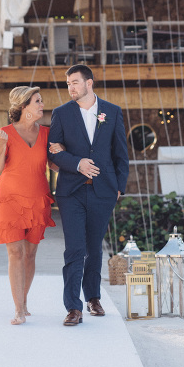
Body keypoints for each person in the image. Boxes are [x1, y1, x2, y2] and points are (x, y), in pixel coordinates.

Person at [47, 64, 129, 326]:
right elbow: (53, 152)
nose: (71, 87)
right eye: (68, 83)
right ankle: (73, 307)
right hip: (71, 192)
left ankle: (93, 297)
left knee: (94, 247)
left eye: (75, 82)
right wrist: (77, 163)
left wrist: (119, 186)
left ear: (89, 83)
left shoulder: (112, 112)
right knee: (75, 248)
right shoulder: (61, 114)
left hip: (103, 191)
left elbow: (121, 154)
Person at [0, 86, 56, 325]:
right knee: (15, 253)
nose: (42, 105)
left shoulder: (47, 134)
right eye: (37, 101)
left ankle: (24, 302)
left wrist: (67, 157)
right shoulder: (4, 133)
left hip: (38, 200)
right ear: (23, 107)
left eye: (41, 100)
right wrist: (4, 145)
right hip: (10, 201)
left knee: (30, 254)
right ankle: (18, 309)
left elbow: (55, 165)